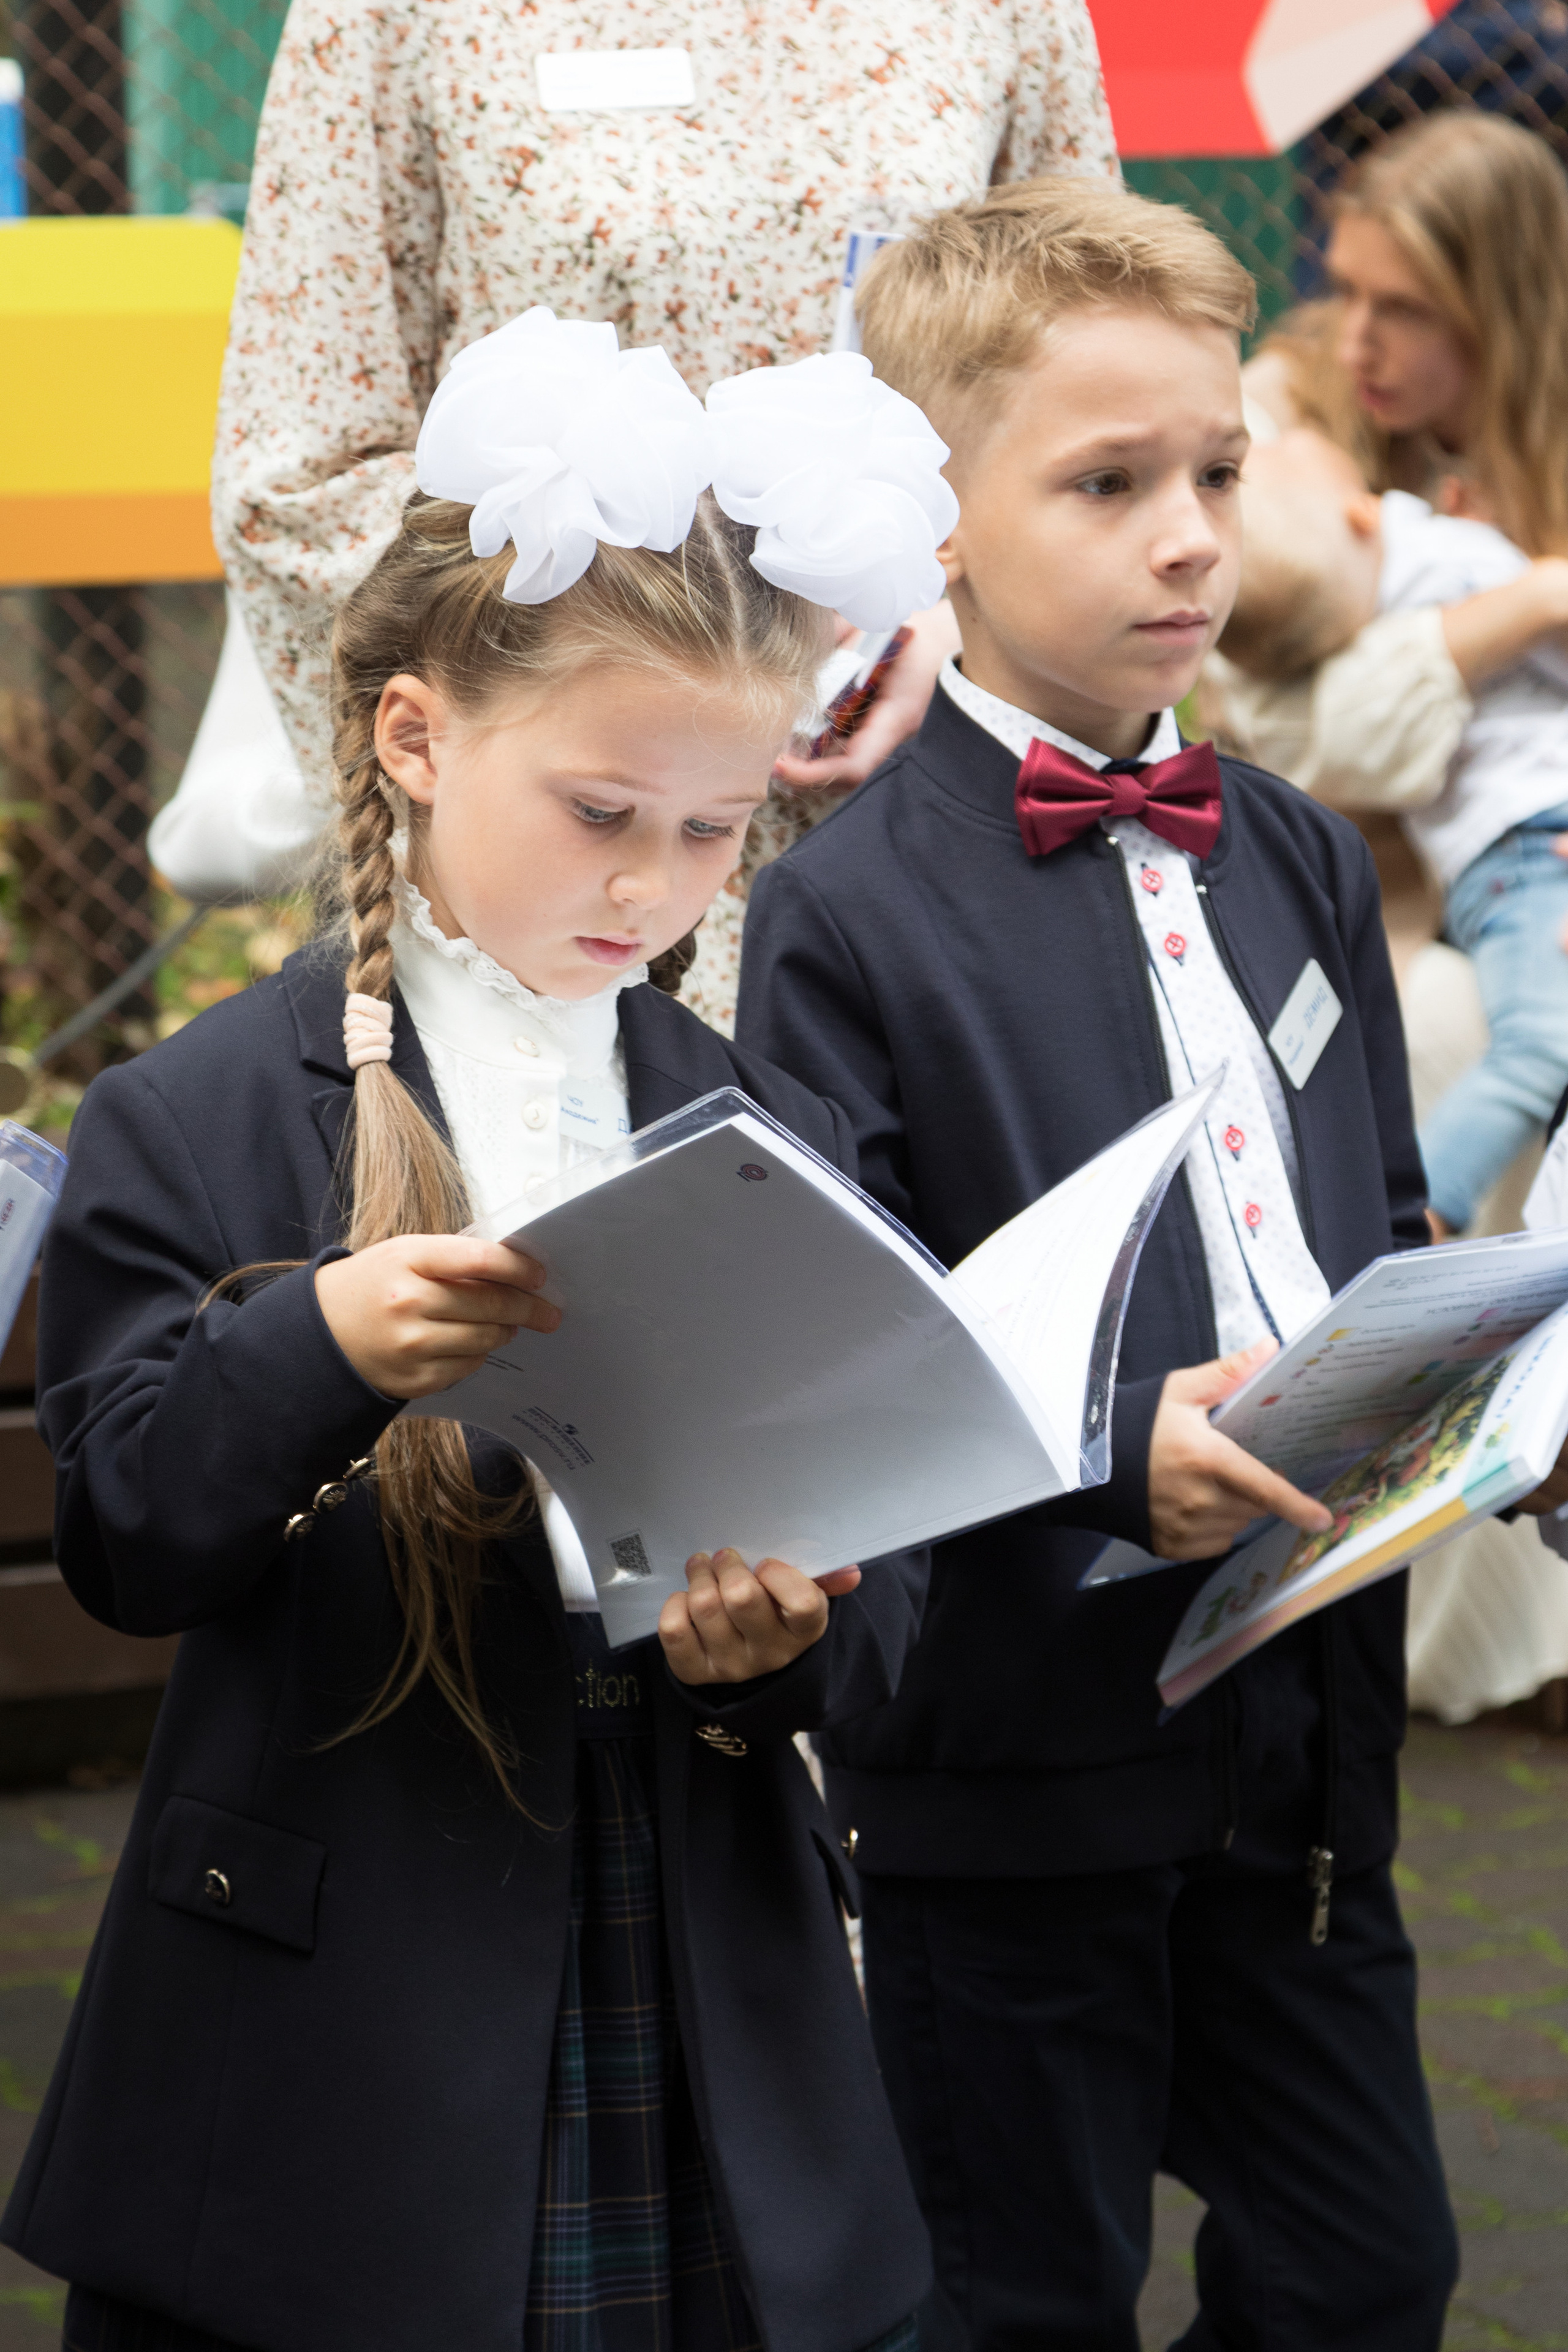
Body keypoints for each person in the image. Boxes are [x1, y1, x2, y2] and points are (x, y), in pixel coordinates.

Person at [2, 313, 957, 2352]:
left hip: (696, 1963)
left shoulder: (747, 1114)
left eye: (713, 835)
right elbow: (127, 1538)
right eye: (605, 811)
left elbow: (875, 1557)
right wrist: (324, 1347)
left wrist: (773, 1644)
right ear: (420, 738)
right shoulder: (210, 1109)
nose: (656, 889)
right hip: (338, 2014)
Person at [738, 176, 1468, 2350]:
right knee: (1019, 2292)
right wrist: (1094, 1449)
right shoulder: (843, 918)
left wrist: (1498, 1406)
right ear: (939, 522)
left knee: (1367, 2272)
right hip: (1014, 1759)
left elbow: (1384, 1236)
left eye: (1221, 472)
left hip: (1306, 1756)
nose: (1190, 536)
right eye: (1110, 482)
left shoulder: (1308, 860)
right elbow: (831, 1358)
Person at [170, 0, 1118, 1033]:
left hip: (904, 828)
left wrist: (945, 607)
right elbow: (298, 478)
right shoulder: (394, 17)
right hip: (566, 865)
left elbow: (1103, 392)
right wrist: (602, 673)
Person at [1219, 426, 1568, 1235]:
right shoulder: (1453, 564)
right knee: (1541, 1051)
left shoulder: (1359, 614)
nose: (1290, 434)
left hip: (1498, 864)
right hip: (1536, 850)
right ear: (1364, 513)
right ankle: (1415, 1226)